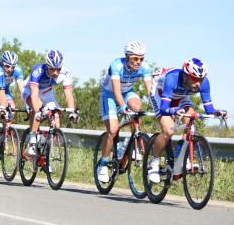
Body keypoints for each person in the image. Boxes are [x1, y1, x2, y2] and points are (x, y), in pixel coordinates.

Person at [146, 58, 227, 184]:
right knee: (169, 130)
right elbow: (164, 108)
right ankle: (154, 162)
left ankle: (181, 152)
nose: (198, 84)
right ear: (185, 76)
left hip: (181, 96)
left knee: (191, 116)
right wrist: (174, 111)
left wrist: (217, 112)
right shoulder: (172, 78)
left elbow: (209, 109)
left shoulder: (203, 83)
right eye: (195, 79)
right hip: (160, 94)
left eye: (200, 79)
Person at [96, 41, 153, 182]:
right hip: (109, 94)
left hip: (127, 92)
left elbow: (151, 91)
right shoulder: (117, 65)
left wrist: (157, 106)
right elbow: (115, 90)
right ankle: (102, 163)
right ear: (127, 57)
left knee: (137, 109)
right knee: (113, 130)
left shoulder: (145, 68)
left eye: (141, 59)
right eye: (135, 58)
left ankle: (130, 143)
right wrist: (122, 107)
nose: (138, 62)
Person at [22, 50, 77, 157]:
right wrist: (38, 111)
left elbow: (68, 95)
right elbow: (34, 95)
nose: (56, 72)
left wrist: (72, 112)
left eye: (58, 69)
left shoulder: (65, 73)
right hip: (30, 91)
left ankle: (46, 152)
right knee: (37, 107)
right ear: (47, 66)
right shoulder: (38, 71)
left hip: (47, 93)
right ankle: (32, 142)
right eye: (52, 69)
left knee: (57, 122)